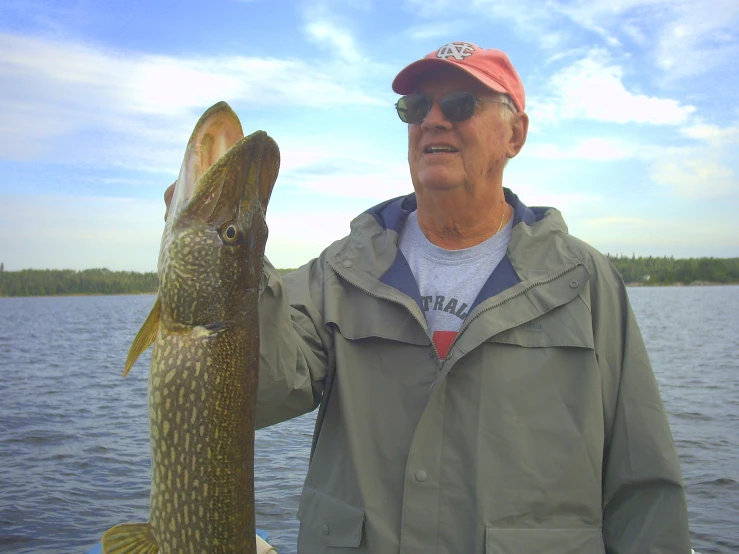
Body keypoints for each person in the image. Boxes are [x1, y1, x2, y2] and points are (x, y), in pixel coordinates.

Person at [168, 41, 693, 553]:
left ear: (516, 134)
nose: (433, 120)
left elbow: (643, 486)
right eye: (416, 107)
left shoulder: (584, 281)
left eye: (461, 104)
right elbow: (257, 391)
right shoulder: (341, 271)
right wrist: (225, 259)